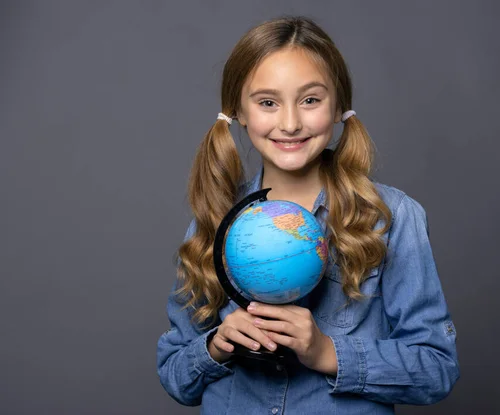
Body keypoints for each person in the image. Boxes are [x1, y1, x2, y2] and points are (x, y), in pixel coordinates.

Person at [157, 15, 459, 414]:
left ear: (338, 107)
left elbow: (437, 367)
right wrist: (217, 346)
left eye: (310, 100)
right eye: (267, 103)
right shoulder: (215, 218)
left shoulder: (391, 218)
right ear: (240, 113)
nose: (290, 123)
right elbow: (176, 375)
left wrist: (327, 352)